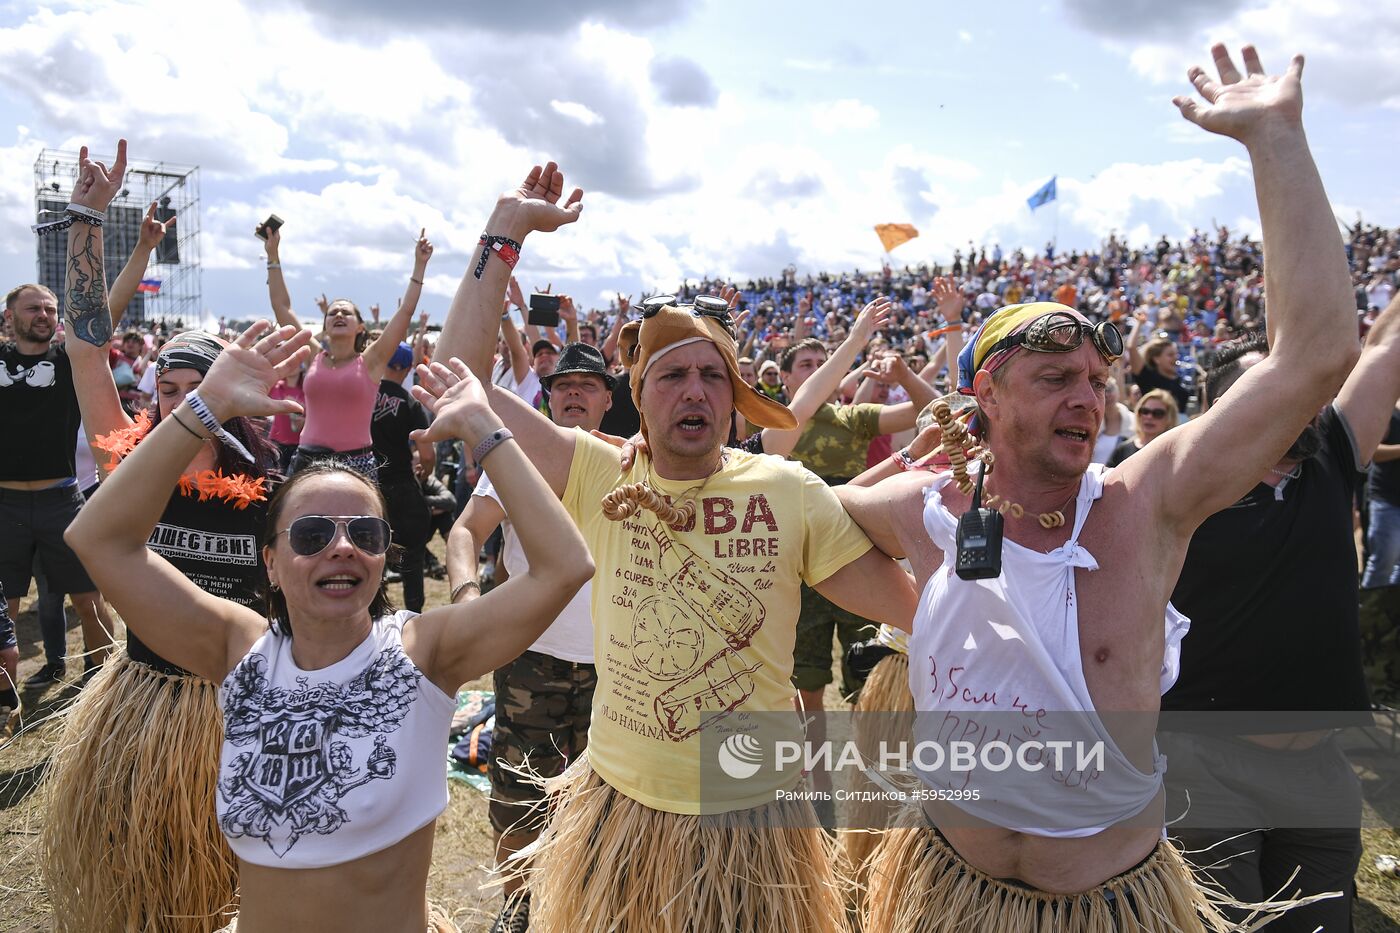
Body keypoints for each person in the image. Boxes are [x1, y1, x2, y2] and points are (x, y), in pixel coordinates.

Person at [838, 44, 1360, 931]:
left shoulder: (1146, 502)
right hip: (947, 890)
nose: (1087, 396)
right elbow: (809, 519)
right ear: (986, 393)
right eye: (1054, 376)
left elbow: (1315, 354)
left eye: (1095, 377)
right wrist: (918, 586)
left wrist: (1275, 138)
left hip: (1114, 900)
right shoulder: (926, 514)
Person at [431, 160, 918, 932]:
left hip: (753, 823)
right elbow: (460, 381)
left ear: (733, 397)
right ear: (638, 396)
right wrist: (504, 232)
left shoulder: (787, 489)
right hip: (623, 816)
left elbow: (912, 614)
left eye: (710, 376)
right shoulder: (594, 468)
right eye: (671, 376)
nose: (693, 390)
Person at [64, 315, 593, 932]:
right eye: (313, 533)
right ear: (272, 561)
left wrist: (485, 428)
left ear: (383, 555)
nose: (341, 547)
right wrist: (203, 406)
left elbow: (564, 565)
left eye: (364, 533)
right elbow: (98, 538)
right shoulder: (239, 650)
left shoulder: (423, 655)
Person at [37, 140, 276, 933]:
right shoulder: (131, 464)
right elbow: (82, 346)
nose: (179, 403)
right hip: (140, 709)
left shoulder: (270, 494)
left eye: (197, 389)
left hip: (234, 718)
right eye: (167, 388)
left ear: (230, 396)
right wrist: (87, 223)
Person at [1161, 283, 1400, 931]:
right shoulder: (1180, 490)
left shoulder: (1333, 463)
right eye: (1265, 392)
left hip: (1321, 767)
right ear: (1214, 413)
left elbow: (1383, 348)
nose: (1290, 406)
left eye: (1296, 392)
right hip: (1204, 765)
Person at [447, 341, 613, 932]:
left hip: (613, 666)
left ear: (607, 401)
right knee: (519, 799)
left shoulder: (637, 466)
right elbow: (466, 532)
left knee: (604, 804)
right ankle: (518, 913)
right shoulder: (522, 462)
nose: (573, 393)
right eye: (563, 384)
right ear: (546, 397)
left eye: (586, 385)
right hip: (532, 657)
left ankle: (584, 908)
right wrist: (469, 599)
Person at [778, 293, 938, 716]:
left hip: (856, 553)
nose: (816, 372)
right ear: (786, 380)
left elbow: (933, 411)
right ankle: (820, 782)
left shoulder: (852, 418)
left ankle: (863, 776)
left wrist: (903, 373)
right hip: (797, 564)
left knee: (865, 679)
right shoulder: (772, 427)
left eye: (821, 362)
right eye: (806, 366)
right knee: (806, 684)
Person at [1, 276, 115, 704]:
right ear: (10, 317)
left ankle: (102, 688)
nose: (45, 315)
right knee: (5, 607)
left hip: (61, 500)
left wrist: (142, 249)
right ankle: (4, 697)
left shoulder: (70, 361)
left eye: (50, 309)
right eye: (34, 308)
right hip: (4, 503)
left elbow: (106, 314)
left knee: (88, 599)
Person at [262, 224, 433, 481]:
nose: (339, 314)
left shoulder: (372, 361)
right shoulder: (314, 355)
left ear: (360, 326)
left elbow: (405, 312)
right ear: (325, 324)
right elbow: (281, 306)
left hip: (356, 462)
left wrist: (419, 266)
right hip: (308, 459)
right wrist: (273, 255)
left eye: (346, 312)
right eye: (333, 312)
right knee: (295, 522)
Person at [371, 342, 434, 612]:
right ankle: (414, 616)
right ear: (409, 368)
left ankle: (372, 613)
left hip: (368, 486)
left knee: (370, 556)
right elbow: (427, 454)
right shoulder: (411, 403)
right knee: (413, 558)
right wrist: (426, 473)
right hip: (403, 486)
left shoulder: (361, 396)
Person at [1106, 388, 1179, 466]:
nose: (1149, 417)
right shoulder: (1123, 450)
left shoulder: (1176, 453)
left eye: (1158, 413)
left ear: (1170, 418)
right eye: (1145, 411)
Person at [1091, 376, 1135, 464]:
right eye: (1102, 390)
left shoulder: (1134, 421)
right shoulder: (1091, 423)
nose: (1106, 395)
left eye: (1110, 389)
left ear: (1118, 391)